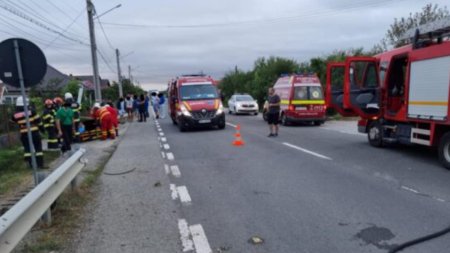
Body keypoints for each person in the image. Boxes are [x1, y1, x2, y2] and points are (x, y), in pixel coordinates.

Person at [11, 96, 45, 168]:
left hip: (24, 134)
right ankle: (40, 164)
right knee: (38, 148)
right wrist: (42, 130)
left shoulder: (15, 115)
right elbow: (39, 121)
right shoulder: (32, 111)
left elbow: (13, 121)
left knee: (27, 149)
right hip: (34, 133)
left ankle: (30, 165)